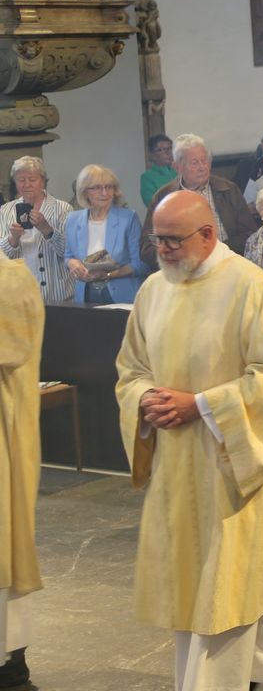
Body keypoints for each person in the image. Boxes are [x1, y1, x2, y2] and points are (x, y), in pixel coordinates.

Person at [114, 191, 263, 690]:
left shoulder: (251, 288)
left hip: (233, 469)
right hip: (177, 472)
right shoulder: (154, 290)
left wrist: (197, 404)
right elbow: (130, 368)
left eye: (173, 240)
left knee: (230, 594)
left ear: (208, 234)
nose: (163, 250)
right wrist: (145, 400)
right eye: (157, 240)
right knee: (192, 597)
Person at [0, 254, 43, 689]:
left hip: (4, 435)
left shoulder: (8, 278)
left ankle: (10, 663)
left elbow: (11, 349)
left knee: (2, 548)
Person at [141, 134, 259, 267]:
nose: (202, 167)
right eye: (194, 162)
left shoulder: (228, 190)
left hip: (226, 265)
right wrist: (180, 254)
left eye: (204, 161)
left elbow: (251, 234)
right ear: (177, 167)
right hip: (183, 272)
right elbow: (147, 247)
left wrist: (217, 251)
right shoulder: (163, 197)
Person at [64, 165, 149, 304]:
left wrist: (109, 274)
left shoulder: (128, 218)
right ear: (84, 192)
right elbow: (68, 256)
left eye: (109, 187)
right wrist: (72, 263)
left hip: (122, 294)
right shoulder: (73, 219)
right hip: (86, 293)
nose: (105, 193)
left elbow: (141, 264)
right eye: (97, 188)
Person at [0, 156, 72, 302]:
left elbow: (70, 252)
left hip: (57, 295)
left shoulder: (63, 208)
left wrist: (47, 229)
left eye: (32, 180)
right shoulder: (5, 210)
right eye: (21, 180)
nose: (27, 185)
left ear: (43, 181)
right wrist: (12, 239)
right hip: (19, 298)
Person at [139, 134, 176, 206]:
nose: (168, 152)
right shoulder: (147, 177)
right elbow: (151, 204)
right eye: (163, 150)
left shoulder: (179, 170)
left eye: (170, 148)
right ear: (153, 155)